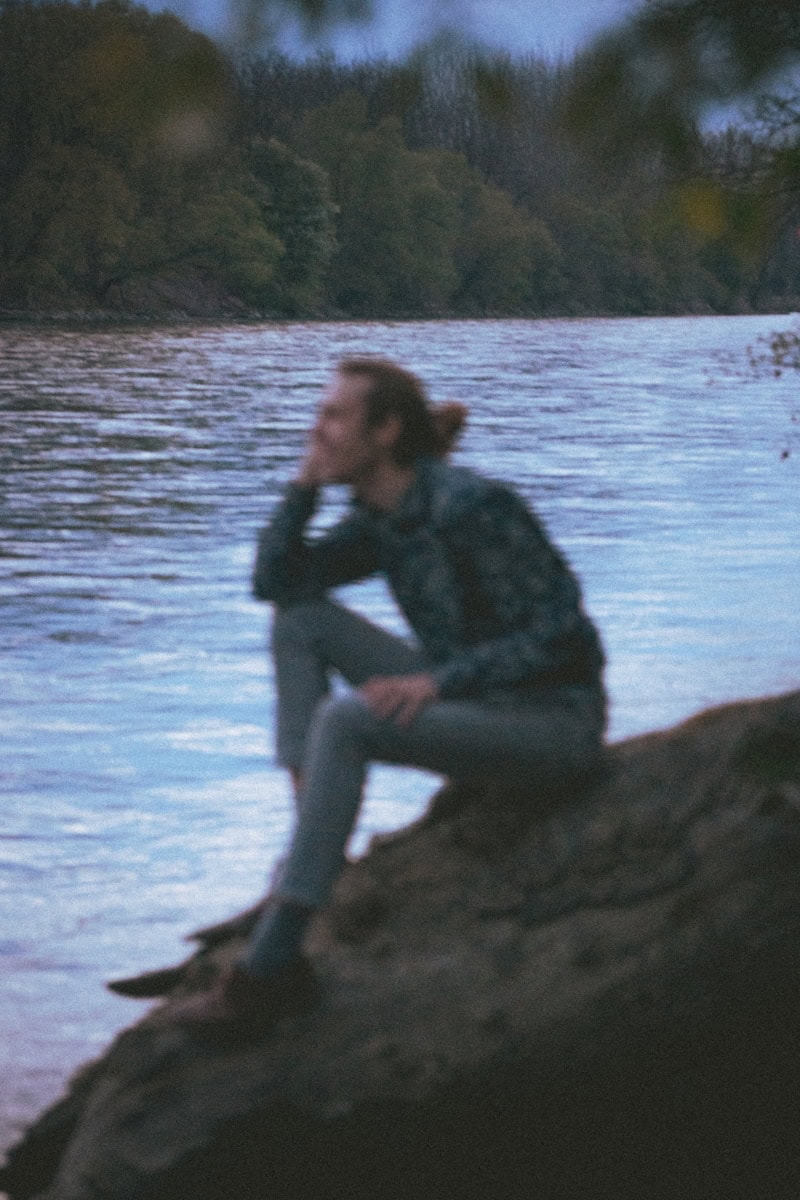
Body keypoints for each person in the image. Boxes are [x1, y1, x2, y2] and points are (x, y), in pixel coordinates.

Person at [168, 357, 607, 1036]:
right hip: (478, 707)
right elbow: (277, 583)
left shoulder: (471, 506)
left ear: (386, 430)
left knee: (348, 719)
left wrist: (436, 683)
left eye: (333, 416)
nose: (317, 430)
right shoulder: (383, 518)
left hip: (551, 726)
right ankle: (310, 859)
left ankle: (270, 972)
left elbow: (566, 639)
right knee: (300, 620)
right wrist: (302, 490)